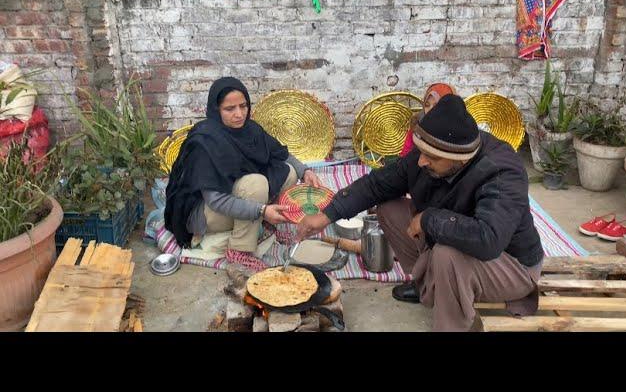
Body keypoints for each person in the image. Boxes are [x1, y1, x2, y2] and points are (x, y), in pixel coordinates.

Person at [296, 94, 544, 331]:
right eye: (422, 153)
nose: (422, 161)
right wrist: (326, 215)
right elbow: (378, 184)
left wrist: (427, 219)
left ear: (459, 160)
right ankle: (427, 283)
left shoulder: (502, 172)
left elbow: (488, 239)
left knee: (447, 255)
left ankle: (451, 326)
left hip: (511, 265)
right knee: (389, 208)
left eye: (432, 158)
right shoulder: (432, 151)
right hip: (457, 242)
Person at [164, 77, 321, 271]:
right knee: (256, 184)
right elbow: (215, 201)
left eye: (243, 106)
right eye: (229, 109)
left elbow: (281, 153)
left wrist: (305, 171)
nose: (239, 114)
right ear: (216, 109)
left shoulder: (250, 129)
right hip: (203, 213)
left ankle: (266, 227)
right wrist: (261, 210)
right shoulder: (205, 141)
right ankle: (240, 250)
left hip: (234, 197)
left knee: (287, 172)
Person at [399, 83, 456, 158]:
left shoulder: (457, 130)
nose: (430, 110)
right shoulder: (417, 123)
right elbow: (405, 154)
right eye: (427, 105)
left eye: (436, 105)